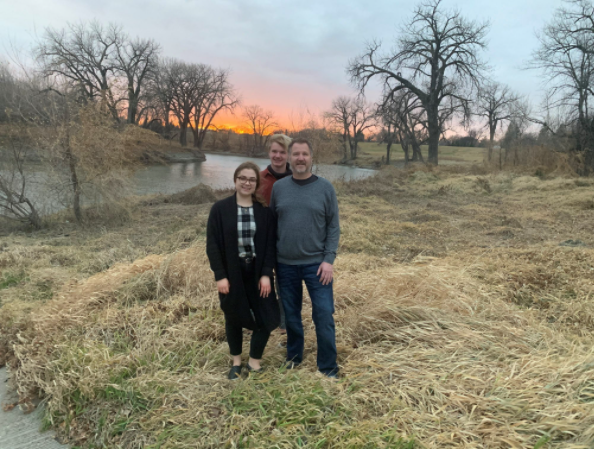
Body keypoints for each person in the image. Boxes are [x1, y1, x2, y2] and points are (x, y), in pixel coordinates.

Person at [269, 138, 340, 378]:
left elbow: (333, 227)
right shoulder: (279, 188)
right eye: (296, 154)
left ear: (311, 158)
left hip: (317, 266)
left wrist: (328, 260)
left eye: (305, 154)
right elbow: (272, 225)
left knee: (323, 313)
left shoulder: (325, 188)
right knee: (291, 315)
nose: (300, 158)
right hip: (285, 265)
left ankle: (328, 367)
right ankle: (294, 357)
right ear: (289, 158)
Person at [206, 161, 280, 380]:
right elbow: (213, 245)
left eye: (251, 179)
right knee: (233, 315)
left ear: (256, 183)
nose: (247, 183)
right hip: (232, 273)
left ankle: (254, 361)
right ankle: (236, 362)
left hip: (257, 273)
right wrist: (220, 276)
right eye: (243, 178)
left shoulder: (264, 212)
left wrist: (266, 274)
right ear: (235, 180)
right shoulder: (220, 209)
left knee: (267, 315)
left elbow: (269, 246)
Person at [259, 134, 293, 336]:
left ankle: (283, 327)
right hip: (261, 241)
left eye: (282, 152)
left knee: (285, 287)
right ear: (269, 152)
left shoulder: (296, 179)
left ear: (288, 155)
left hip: (286, 243)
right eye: (274, 151)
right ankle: (260, 323)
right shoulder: (259, 179)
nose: (278, 156)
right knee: (260, 284)